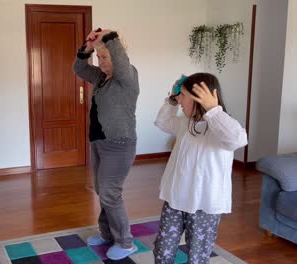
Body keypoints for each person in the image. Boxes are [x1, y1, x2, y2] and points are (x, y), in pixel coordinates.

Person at [153, 73, 248, 263]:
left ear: (200, 98)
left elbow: (238, 140)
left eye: (183, 95)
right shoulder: (184, 123)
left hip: (204, 205)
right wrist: (172, 99)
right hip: (175, 199)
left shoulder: (221, 126)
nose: (179, 100)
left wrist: (213, 110)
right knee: (162, 250)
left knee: (197, 257)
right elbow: (162, 122)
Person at [72, 28, 139, 260]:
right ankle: (108, 234)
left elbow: (120, 62)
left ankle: (125, 242)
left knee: (110, 192)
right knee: (102, 191)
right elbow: (79, 68)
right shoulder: (100, 77)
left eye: (105, 57)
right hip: (99, 142)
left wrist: (110, 37)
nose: (100, 63)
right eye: (98, 58)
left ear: (117, 55)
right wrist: (88, 47)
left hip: (120, 144)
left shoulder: (127, 76)